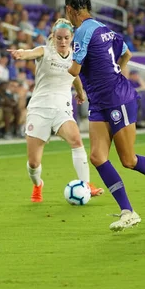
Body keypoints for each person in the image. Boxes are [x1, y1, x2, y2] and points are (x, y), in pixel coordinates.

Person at [65, 0, 145, 232]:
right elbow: (126, 54)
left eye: (67, 13)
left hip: (117, 99)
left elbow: (73, 69)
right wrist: (114, 72)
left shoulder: (81, 32)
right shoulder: (105, 28)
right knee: (97, 156)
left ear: (71, 10)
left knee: (128, 160)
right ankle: (128, 211)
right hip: (101, 101)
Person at [8, 18, 103, 203]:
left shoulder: (75, 56)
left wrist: (80, 92)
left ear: (71, 37)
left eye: (66, 38)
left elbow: (74, 75)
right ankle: (37, 184)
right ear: (53, 36)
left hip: (62, 108)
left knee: (76, 140)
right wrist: (22, 53)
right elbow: (30, 53)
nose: (63, 42)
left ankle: (86, 185)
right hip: (39, 108)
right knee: (34, 163)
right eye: (59, 38)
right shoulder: (44, 51)